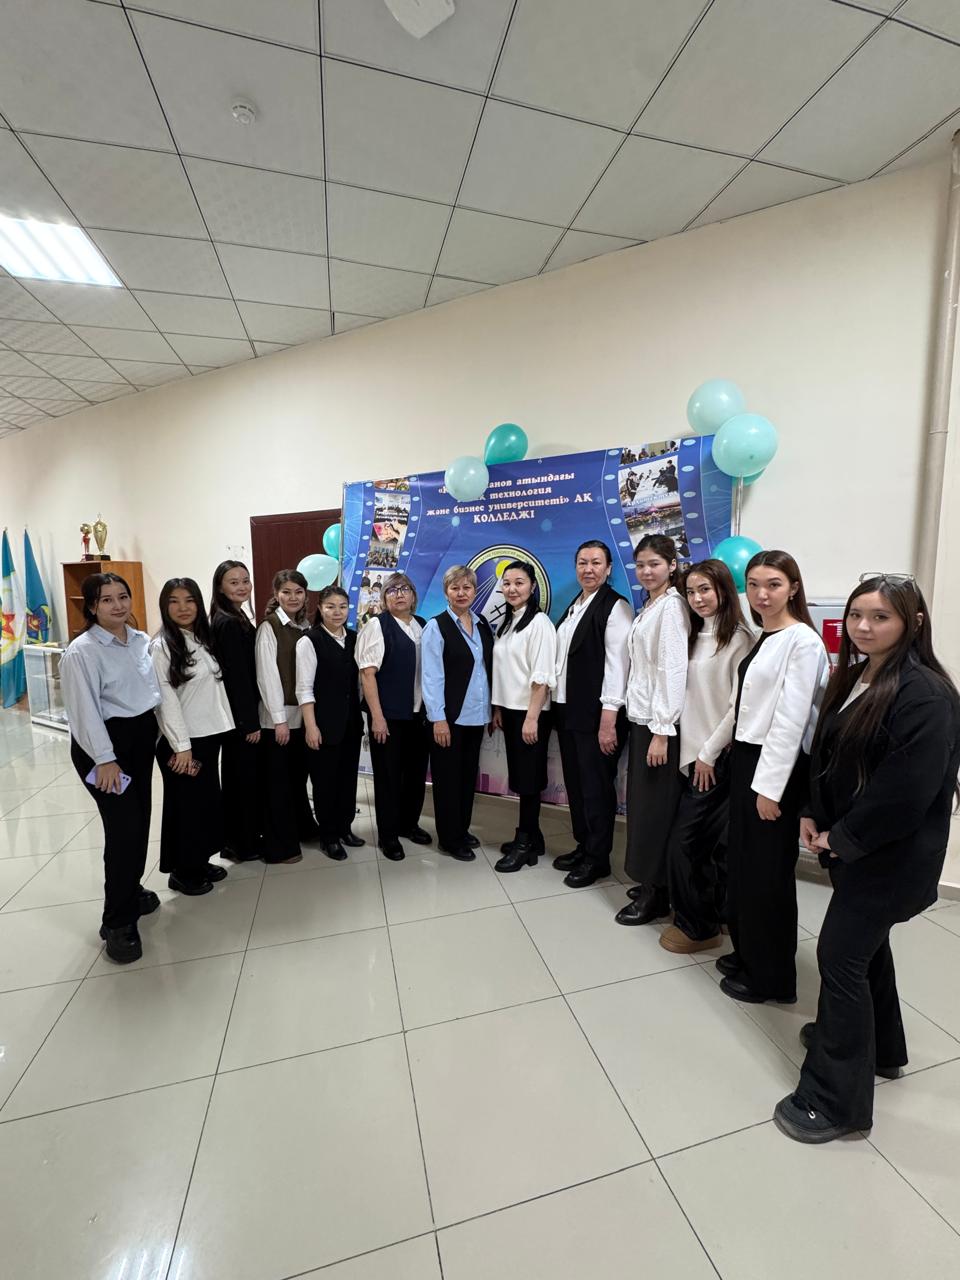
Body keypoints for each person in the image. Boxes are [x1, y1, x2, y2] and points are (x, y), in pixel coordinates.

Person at [774, 575, 960, 1143]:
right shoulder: (857, 676)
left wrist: (843, 838)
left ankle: (834, 1101)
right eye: (857, 615)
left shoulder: (925, 694)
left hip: (890, 859)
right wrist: (811, 811)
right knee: (865, 950)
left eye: (880, 617)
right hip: (856, 849)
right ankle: (879, 1049)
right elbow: (826, 753)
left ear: (913, 622)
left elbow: (904, 793)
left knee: (840, 958)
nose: (863, 626)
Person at [718, 550, 829, 1005]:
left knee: (768, 874)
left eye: (774, 585)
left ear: (794, 588)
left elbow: (791, 719)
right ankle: (748, 953)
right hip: (748, 759)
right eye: (754, 585)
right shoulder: (766, 636)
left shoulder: (803, 641)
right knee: (744, 865)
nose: (762, 594)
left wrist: (770, 789)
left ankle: (773, 977)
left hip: (775, 767)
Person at [59, 572, 161, 964]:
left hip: (139, 743)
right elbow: (83, 712)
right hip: (104, 749)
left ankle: (130, 890)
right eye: (106, 599)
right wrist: (104, 758)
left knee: (141, 820)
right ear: (92, 607)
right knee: (124, 829)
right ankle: (117, 922)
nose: (117, 605)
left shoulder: (140, 641)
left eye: (122, 596)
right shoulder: (82, 652)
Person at [657, 560, 754, 952]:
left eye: (705, 590)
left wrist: (709, 754)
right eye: (691, 591)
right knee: (710, 845)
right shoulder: (694, 635)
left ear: (723, 590)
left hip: (714, 759)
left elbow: (737, 707)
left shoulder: (739, 640)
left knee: (686, 844)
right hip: (693, 752)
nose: (697, 598)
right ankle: (715, 915)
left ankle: (698, 927)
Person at [616, 535, 689, 924]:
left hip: (659, 727)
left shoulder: (673, 608)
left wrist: (662, 730)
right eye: (641, 565)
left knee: (655, 812)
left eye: (654, 564)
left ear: (672, 565)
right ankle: (651, 881)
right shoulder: (651, 605)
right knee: (644, 808)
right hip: (643, 718)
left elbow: (672, 671)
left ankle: (656, 893)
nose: (646, 571)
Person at [552, 540, 632, 888]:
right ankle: (583, 846)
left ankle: (598, 858)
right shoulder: (576, 605)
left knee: (596, 788)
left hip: (598, 717)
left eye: (596, 562)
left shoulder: (616, 607)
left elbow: (618, 667)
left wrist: (608, 720)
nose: (588, 569)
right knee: (577, 784)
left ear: (609, 568)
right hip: (569, 711)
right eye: (582, 562)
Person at [152, 577, 235, 895]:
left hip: (207, 736)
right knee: (185, 808)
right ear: (165, 606)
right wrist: (181, 746)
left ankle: (199, 860)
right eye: (174, 601)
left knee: (205, 804)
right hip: (183, 743)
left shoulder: (201, 638)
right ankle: (183, 871)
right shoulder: (162, 646)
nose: (183, 608)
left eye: (189, 600)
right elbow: (166, 700)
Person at [356, 571, 431, 860]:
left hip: (418, 715)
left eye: (404, 589)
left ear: (413, 595)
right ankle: (388, 835)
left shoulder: (422, 625)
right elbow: (367, 674)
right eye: (392, 590)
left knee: (415, 775)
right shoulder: (377, 626)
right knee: (388, 777)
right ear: (384, 598)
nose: (399, 594)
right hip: (389, 716)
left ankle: (408, 824)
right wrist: (377, 717)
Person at [422, 565, 494, 860]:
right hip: (449, 718)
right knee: (448, 780)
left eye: (467, 587)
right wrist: (438, 718)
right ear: (446, 592)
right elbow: (431, 677)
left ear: (475, 591)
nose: (461, 593)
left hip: (477, 716)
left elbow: (486, 670)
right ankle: (449, 839)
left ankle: (461, 830)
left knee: (466, 778)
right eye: (455, 588)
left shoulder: (482, 623)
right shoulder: (435, 627)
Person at [490, 561, 557, 871]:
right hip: (511, 712)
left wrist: (532, 718)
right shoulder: (508, 622)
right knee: (521, 777)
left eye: (519, 582)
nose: (512, 588)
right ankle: (534, 837)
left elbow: (541, 676)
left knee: (529, 781)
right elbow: (505, 671)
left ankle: (524, 843)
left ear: (532, 586)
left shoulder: (539, 623)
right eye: (507, 583)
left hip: (531, 713)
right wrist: (499, 708)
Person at [255, 569, 320, 865]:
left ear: (306, 595)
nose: (293, 597)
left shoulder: (305, 626)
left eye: (298, 592)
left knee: (297, 780)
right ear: (276, 595)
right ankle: (280, 846)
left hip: (301, 717)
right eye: (286, 592)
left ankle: (303, 828)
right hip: (277, 720)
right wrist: (279, 720)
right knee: (278, 785)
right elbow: (267, 676)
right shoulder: (269, 627)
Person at [297, 585, 365, 860]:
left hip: (350, 723)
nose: (337, 612)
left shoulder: (354, 638)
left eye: (342, 607)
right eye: (330, 607)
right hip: (323, 724)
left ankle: (344, 827)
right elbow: (304, 689)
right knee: (325, 782)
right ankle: (329, 836)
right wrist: (311, 726)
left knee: (347, 779)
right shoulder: (309, 641)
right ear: (320, 608)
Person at [209, 560, 262, 862]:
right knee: (240, 781)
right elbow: (237, 677)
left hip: (238, 715)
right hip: (240, 719)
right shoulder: (227, 622)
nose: (242, 587)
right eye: (234, 582)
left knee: (241, 778)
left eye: (245, 580)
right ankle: (241, 844)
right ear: (220, 587)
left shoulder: (236, 615)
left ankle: (240, 839)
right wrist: (249, 723)